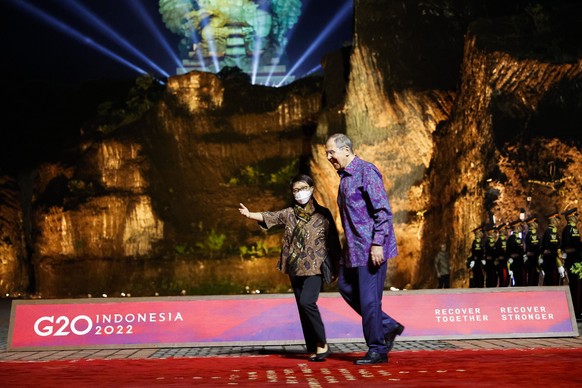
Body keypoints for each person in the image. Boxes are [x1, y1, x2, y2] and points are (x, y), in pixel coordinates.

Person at [238, 174, 341, 362]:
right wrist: (250, 214)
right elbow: (271, 217)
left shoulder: (323, 214)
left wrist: (337, 267)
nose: (299, 193)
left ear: (311, 189)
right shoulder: (290, 213)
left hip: (315, 268)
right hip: (295, 268)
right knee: (302, 308)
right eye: (295, 190)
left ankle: (322, 344)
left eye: (302, 188)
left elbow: (333, 242)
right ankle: (313, 347)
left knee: (307, 302)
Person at [325, 133, 403, 365]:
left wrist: (378, 243)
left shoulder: (366, 172)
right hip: (354, 250)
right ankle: (388, 325)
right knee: (346, 287)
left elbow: (383, 211)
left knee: (369, 301)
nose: (329, 157)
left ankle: (377, 349)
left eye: (332, 152)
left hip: (371, 249)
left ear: (346, 150)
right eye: (327, 153)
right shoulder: (345, 178)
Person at [561, 208, 581, 319]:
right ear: (571, 217)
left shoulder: (574, 229)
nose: (577, 217)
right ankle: (574, 310)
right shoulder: (568, 229)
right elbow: (566, 247)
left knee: (577, 286)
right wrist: (579, 249)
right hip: (572, 262)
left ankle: (578, 309)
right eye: (576, 215)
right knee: (574, 285)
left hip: (577, 261)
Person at [539, 212, 562, 286]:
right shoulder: (551, 232)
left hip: (550, 260)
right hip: (550, 260)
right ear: (554, 220)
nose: (559, 222)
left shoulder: (551, 231)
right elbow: (553, 247)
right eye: (557, 220)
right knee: (551, 281)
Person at [506, 220, 525, 286]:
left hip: (519, 260)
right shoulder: (511, 238)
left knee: (520, 278)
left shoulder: (518, 238)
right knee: (517, 278)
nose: (520, 227)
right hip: (515, 261)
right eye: (519, 226)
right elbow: (509, 250)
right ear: (516, 227)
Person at [524, 216, 541, 286]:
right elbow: (534, 246)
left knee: (535, 279)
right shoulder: (531, 234)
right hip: (532, 259)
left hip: (534, 259)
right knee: (532, 279)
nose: (537, 224)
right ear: (532, 224)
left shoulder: (533, 234)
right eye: (535, 223)